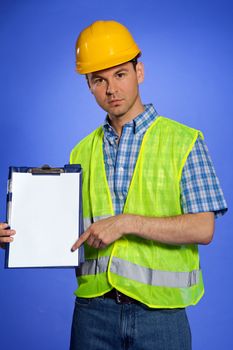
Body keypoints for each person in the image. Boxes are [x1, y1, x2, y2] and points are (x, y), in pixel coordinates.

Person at [0, 20, 227, 350]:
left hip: (161, 316)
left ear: (140, 72)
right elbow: (69, 229)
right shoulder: (81, 151)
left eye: (120, 74)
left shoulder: (185, 141)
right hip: (93, 314)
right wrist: (20, 237)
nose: (111, 89)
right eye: (99, 80)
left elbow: (203, 228)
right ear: (89, 87)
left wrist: (127, 223)